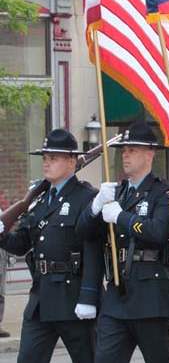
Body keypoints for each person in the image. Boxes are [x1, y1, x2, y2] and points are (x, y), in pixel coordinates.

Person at [77, 121, 169, 363]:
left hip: (151, 295)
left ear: (149, 154)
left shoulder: (163, 193)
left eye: (132, 150)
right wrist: (96, 206)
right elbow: (84, 232)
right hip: (118, 294)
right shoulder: (119, 192)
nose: (126, 155)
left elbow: (159, 232)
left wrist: (121, 216)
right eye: (124, 150)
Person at [0, 129, 100, 363]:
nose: (46, 163)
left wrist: (89, 297)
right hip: (41, 300)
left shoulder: (87, 197)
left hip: (73, 297)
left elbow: (93, 249)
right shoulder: (39, 200)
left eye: (53, 158)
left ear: (72, 161)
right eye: (45, 158)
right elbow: (21, 244)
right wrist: (2, 234)